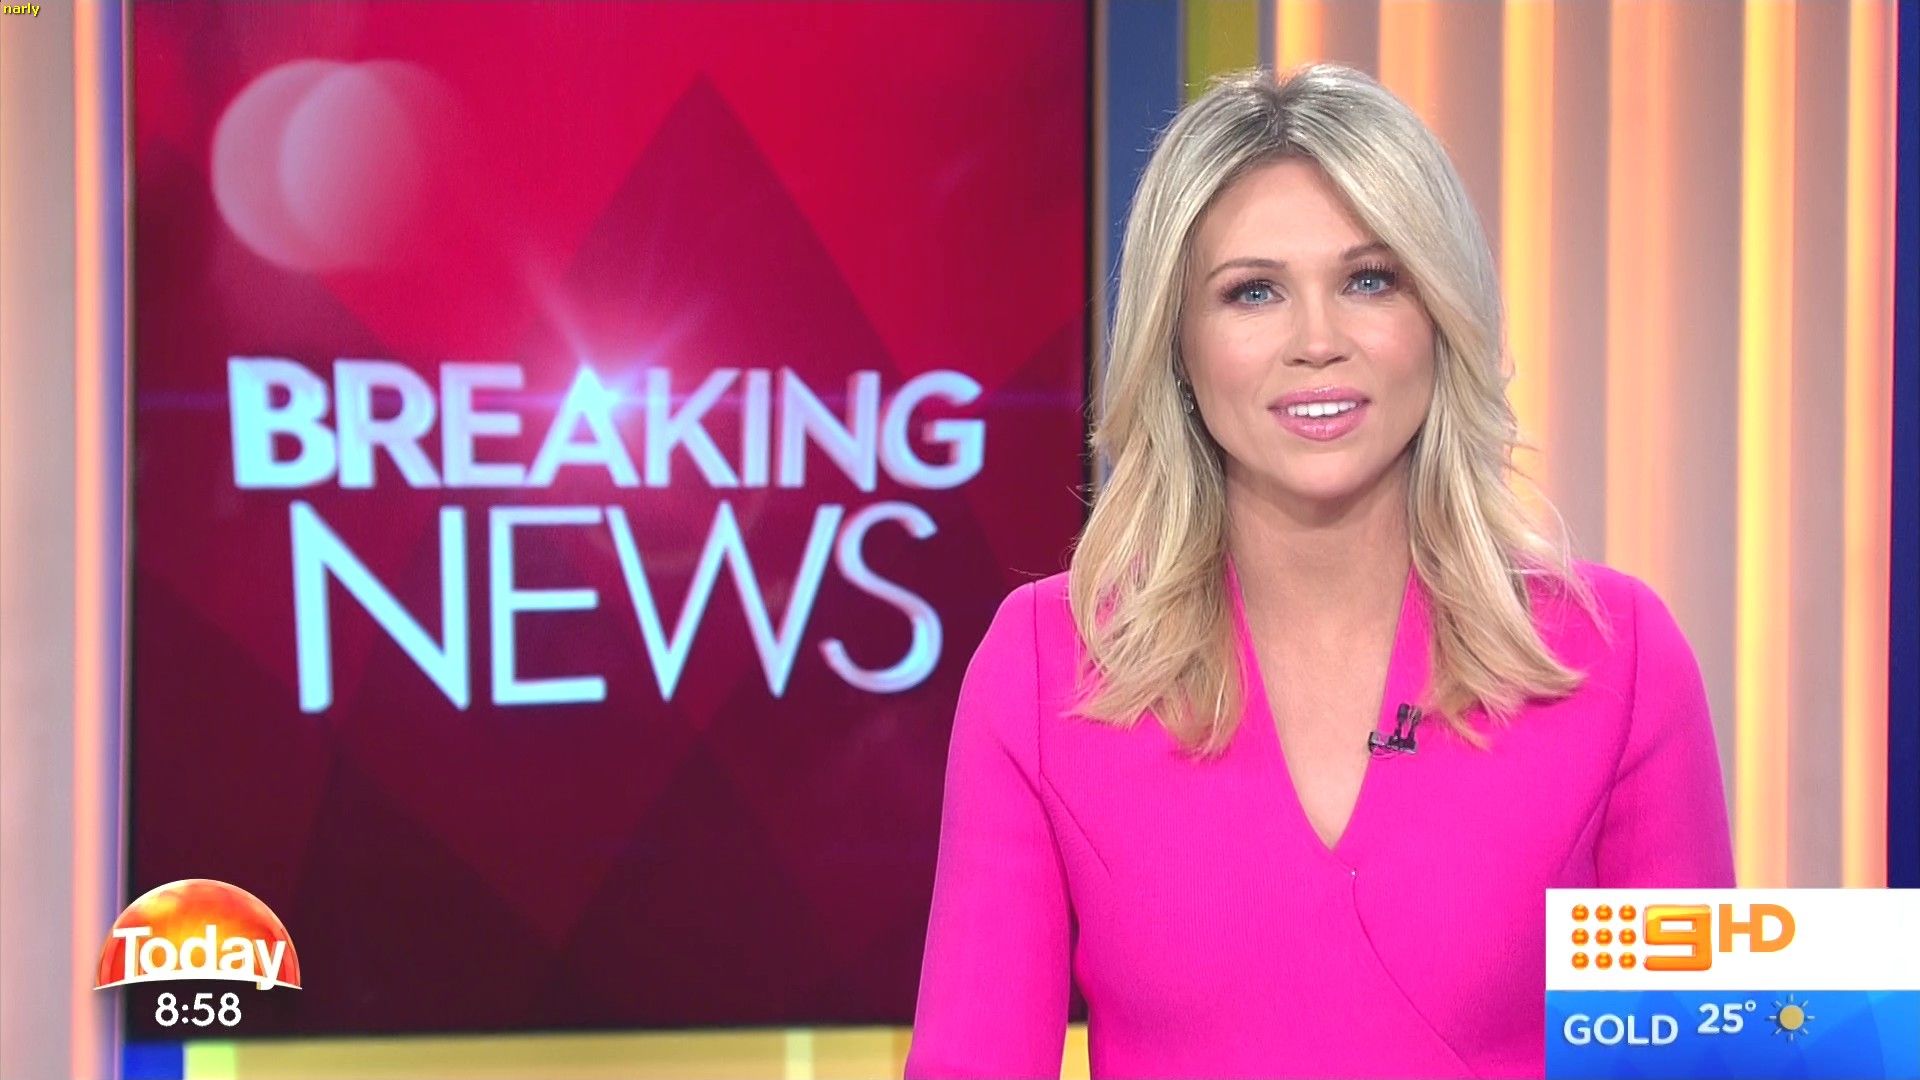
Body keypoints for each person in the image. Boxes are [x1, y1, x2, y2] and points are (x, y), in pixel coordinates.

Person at [902, 63, 1735, 1079]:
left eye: (1369, 280)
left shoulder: (1613, 658)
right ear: (1178, 346)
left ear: (1440, 318)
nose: (1318, 342)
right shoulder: (1044, 668)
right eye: (1252, 292)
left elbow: (1703, 1065)